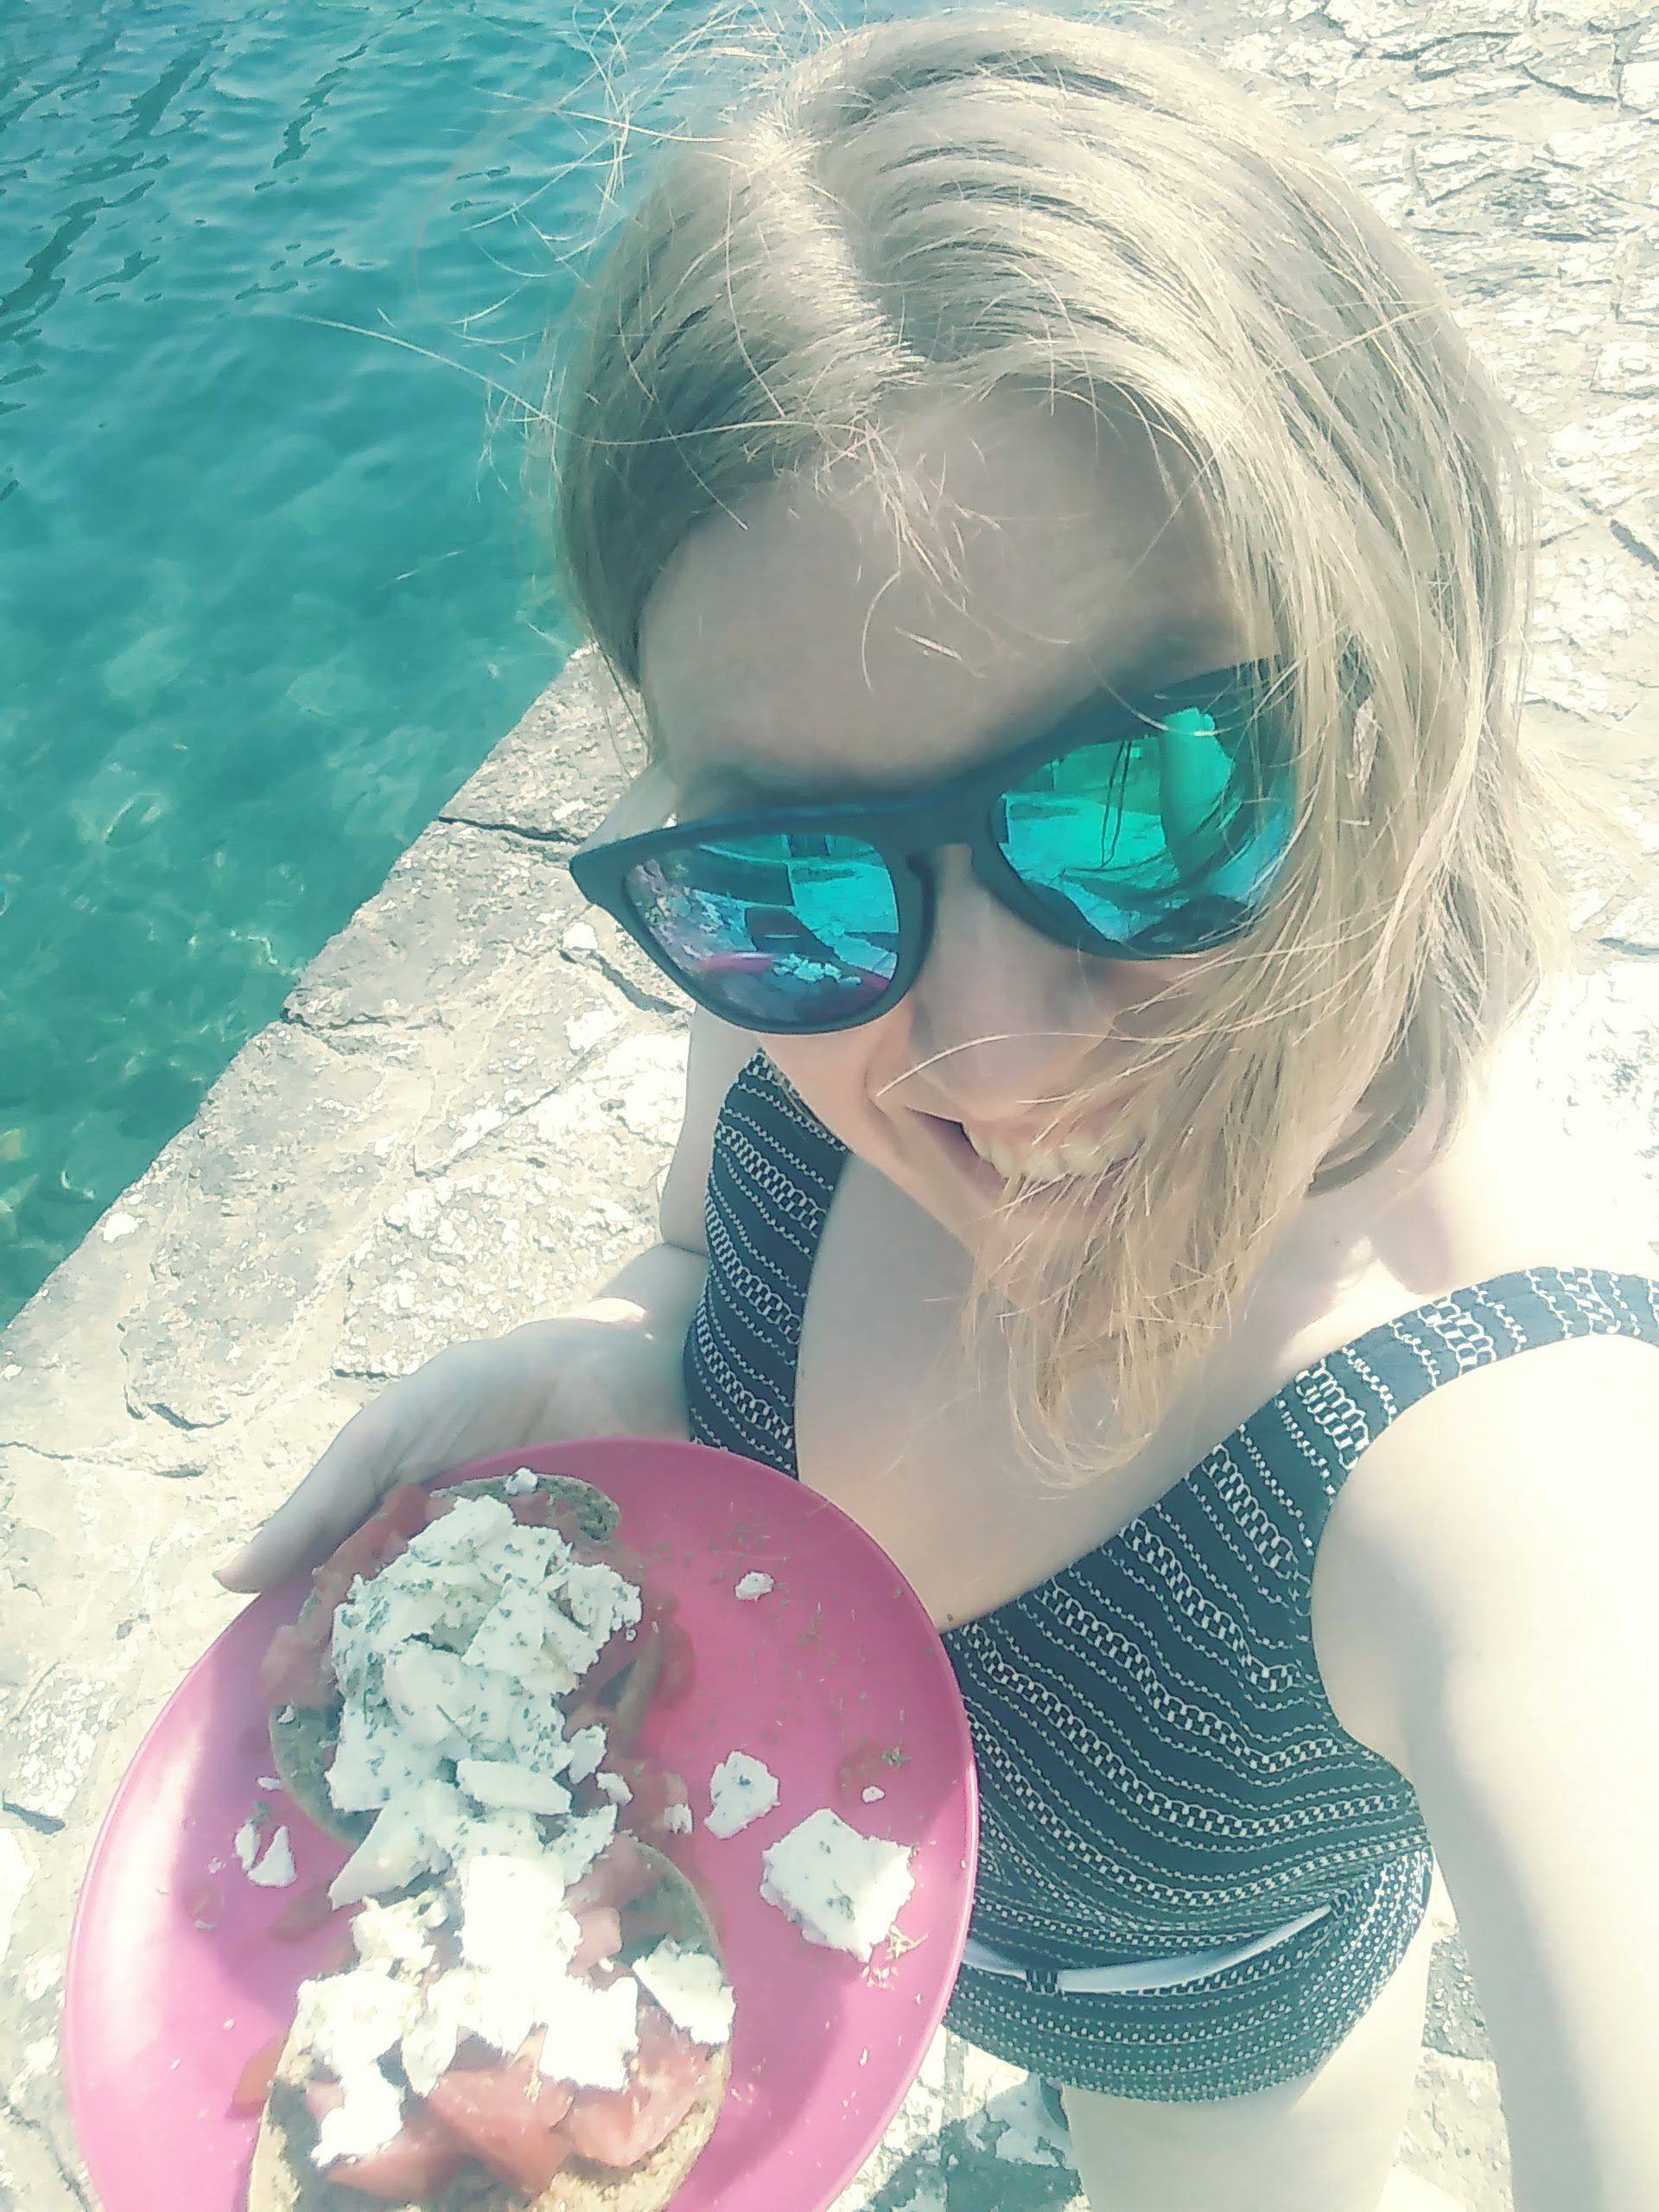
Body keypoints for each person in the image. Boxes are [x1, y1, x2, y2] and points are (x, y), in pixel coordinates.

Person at [213, 11, 1659, 2208]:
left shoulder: (1500, 1469)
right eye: (792, 870)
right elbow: (708, 1237)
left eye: (1151, 797)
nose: (975, 1046)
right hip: (879, 1950)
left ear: (1419, 635)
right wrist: (628, 1351)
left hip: (1218, 2084)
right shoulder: (805, 951)